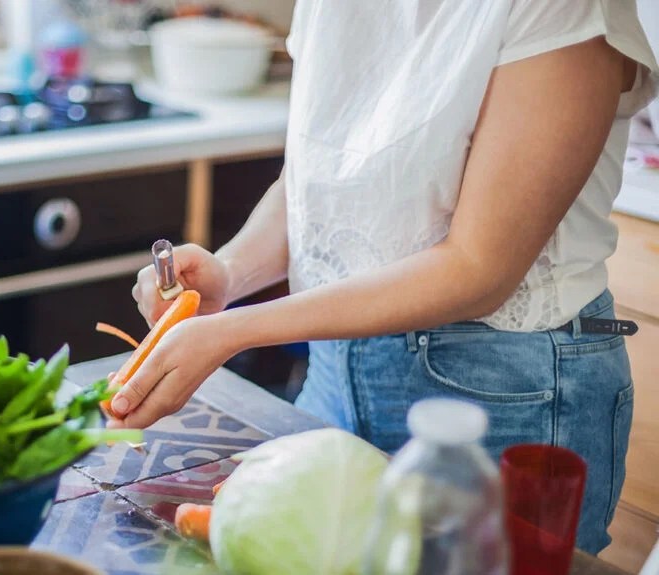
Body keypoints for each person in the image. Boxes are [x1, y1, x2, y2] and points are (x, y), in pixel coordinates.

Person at [107, 1, 657, 554]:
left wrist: (232, 330)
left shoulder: (562, 9)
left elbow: (480, 268)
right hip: (334, 372)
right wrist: (229, 271)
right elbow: (321, 181)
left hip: (504, 395)